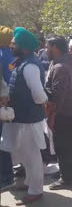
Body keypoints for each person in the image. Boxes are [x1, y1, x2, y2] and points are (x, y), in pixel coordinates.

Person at [0, 27, 47, 205]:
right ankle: (29, 183)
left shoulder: (30, 67)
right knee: (25, 154)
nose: (11, 45)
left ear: (24, 47)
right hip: (22, 118)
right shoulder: (22, 62)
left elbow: (39, 95)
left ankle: (36, 190)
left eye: (14, 43)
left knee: (32, 155)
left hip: (29, 119)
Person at [45, 37, 72, 190]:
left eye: (47, 47)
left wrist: (52, 117)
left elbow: (58, 97)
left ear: (55, 48)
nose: (46, 50)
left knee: (63, 146)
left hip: (62, 113)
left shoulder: (60, 67)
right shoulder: (63, 63)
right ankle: (66, 174)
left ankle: (66, 179)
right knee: (64, 146)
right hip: (67, 112)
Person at [0, 26, 15, 191]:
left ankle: (6, 176)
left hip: (3, 103)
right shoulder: (13, 55)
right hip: (9, 103)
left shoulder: (2, 55)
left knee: (2, 141)